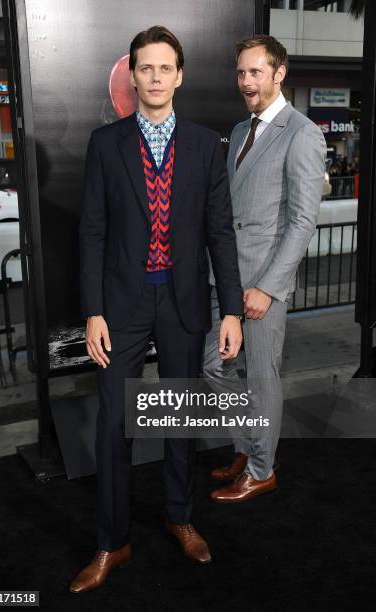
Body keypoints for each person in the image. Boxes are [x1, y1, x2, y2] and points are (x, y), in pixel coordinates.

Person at [70, 25, 243, 593]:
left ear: (180, 75)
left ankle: (180, 515)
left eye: (166, 67)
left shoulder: (203, 145)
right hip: (121, 303)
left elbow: (220, 233)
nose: (156, 77)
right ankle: (110, 542)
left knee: (178, 420)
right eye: (146, 67)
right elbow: (92, 231)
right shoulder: (106, 142)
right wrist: (93, 310)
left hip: (184, 300)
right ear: (133, 74)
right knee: (114, 426)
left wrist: (233, 310)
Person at [203, 35, 326, 504]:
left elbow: (301, 220)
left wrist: (270, 289)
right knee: (210, 365)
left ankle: (261, 469)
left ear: (279, 73)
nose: (246, 81)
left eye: (256, 71)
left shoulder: (302, 132)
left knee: (261, 376)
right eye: (241, 72)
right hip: (227, 276)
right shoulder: (239, 131)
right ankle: (247, 446)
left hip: (261, 285)